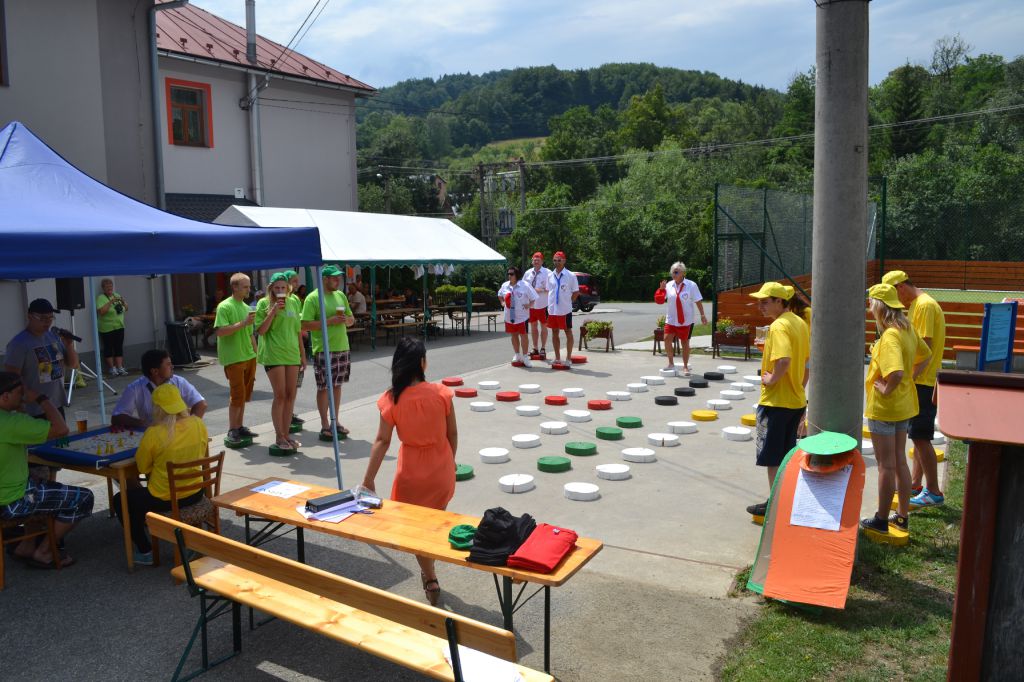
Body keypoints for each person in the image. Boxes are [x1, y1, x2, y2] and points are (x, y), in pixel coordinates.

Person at [361, 337, 457, 606]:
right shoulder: (442, 393)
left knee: (418, 530)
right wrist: (449, 461)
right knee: (434, 523)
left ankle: (430, 576)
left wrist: (368, 479)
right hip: (440, 467)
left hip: (411, 471)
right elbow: (452, 433)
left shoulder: (391, 398)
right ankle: (430, 571)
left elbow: (382, 441)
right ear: (422, 363)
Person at [0, 371, 93, 568]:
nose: (23, 395)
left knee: (37, 482)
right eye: (20, 392)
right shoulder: (11, 423)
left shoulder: (11, 420)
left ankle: (26, 546)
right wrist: (42, 399)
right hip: (12, 501)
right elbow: (61, 430)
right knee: (84, 498)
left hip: (10, 492)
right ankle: (44, 551)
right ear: (5, 396)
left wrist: (19, 406)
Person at [112, 383, 208, 565]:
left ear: (157, 408)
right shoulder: (197, 423)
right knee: (138, 498)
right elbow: (201, 452)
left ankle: (145, 550)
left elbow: (142, 468)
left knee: (121, 499)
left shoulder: (154, 433)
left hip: (166, 497)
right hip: (195, 492)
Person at [860, 283, 930, 535]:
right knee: (900, 461)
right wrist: (910, 378)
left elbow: (896, 372)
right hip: (904, 406)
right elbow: (927, 355)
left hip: (885, 408)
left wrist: (887, 388)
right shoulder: (906, 328)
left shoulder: (890, 336)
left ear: (879, 306)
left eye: (870, 304)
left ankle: (881, 519)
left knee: (886, 466)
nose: (869, 309)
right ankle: (901, 516)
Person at [744, 282, 809, 518]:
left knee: (773, 458)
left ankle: (776, 505)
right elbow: (806, 361)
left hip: (777, 402)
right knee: (786, 455)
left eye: (765, 302)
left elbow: (784, 360)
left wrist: (772, 379)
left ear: (780, 301)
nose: (760, 306)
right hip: (795, 401)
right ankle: (785, 499)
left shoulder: (779, 326)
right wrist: (799, 386)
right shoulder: (799, 323)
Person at [883, 270, 946, 508]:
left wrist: (908, 379)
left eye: (894, 296)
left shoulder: (924, 306)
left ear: (901, 287)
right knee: (918, 436)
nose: (896, 302)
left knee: (921, 437)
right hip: (922, 381)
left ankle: (934, 491)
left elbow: (924, 349)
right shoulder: (918, 305)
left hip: (923, 382)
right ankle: (917, 484)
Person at [301, 265, 354, 440]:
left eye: (338, 277)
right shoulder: (313, 298)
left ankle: (335, 422)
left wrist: (347, 320)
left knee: (337, 386)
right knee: (324, 387)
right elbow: (304, 325)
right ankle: (325, 424)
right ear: (324, 279)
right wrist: (329, 321)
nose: (338, 280)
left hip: (342, 346)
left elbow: (351, 319)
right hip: (323, 348)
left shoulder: (341, 295)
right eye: (334, 278)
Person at [4, 298, 80, 415]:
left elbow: (73, 364)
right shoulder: (18, 344)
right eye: (42, 318)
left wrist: (69, 345)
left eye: (50, 318)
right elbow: (11, 380)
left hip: (56, 405)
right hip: (33, 410)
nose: (47, 322)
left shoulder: (53, 337)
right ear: (30, 316)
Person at [257, 273, 305, 451]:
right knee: (280, 395)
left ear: (288, 288)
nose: (280, 291)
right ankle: (279, 436)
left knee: (291, 395)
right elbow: (261, 331)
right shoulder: (263, 304)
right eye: (276, 288)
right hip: (274, 354)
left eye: (283, 287)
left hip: (292, 353)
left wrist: (303, 355)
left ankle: (286, 434)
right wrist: (273, 312)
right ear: (271, 288)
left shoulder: (294, 302)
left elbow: (298, 331)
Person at [112, 349, 206, 429]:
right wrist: (142, 423)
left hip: (179, 431)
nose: (172, 367)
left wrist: (189, 427)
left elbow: (201, 404)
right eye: (168, 364)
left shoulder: (178, 381)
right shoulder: (134, 388)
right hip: (152, 433)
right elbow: (116, 417)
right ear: (155, 371)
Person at [214, 273, 258, 443]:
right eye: (245, 287)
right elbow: (220, 331)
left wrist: (257, 354)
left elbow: (250, 334)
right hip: (234, 357)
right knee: (237, 394)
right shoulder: (224, 306)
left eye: (249, 286)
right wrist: (243, 323)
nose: (249, 290)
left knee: (244, 394)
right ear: (234, 287)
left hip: (248, 355)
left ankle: (239, 426)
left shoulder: (247, 308)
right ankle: (232, 429)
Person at [654, 262, 706, 376]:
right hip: (671, 319)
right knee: (667, 339)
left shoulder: (691, 285)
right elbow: (659, 301)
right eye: (672, 272)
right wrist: (661, 290)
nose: (674, 274)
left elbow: (698, 301)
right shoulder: (668, 285)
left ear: (683, 273)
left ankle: (685, 366)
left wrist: (702, 315)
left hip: (686, 320)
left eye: (676, 272)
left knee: (685, 342)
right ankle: (671, 363)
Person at [497, 266, 538, 368]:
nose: (509, 276)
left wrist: (529, 305)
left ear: (517, 275)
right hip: (509, 316)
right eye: (508, 274)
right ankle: (517, 354)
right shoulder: (505, 285)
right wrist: (502, 302)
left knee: (523, 335)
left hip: (522, 316)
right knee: (513, 335)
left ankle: (525, 357)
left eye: (512, 274)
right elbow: (500, 294)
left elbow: (534, 297)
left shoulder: (525, 285)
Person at [545, 251, 580, 367]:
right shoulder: (550, 275)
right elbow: (549, 290)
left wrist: (568, 302)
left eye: (559, 260)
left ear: (564, 261)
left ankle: (568, 358)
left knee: (567, 332)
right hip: (552, 310)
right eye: (555, 260)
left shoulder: (570, 275)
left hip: (564, 310)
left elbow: (576, 292)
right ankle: (557, 358)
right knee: (554, 332)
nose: (557, 262)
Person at [522, 252, 552, 359]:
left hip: (543, 304)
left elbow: (551, 288)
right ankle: (535, 348)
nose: (536, 262)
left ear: (542, 261)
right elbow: (523, 286)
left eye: (538, 260)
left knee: (544, 326)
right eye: (534, 260)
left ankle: (543, 348)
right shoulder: (528, 273)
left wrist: (541, 289)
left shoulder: (548, 272)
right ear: (532, 261)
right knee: (533, 327)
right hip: (531, 305)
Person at [96, 278, 128, 376]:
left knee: (118, 347)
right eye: (107, 287)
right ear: (103, 288)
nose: (110, 288)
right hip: (107, 328)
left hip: (119, 326)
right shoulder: (101, 298)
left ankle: (120, 367)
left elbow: (126, 308)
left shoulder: (117, 295)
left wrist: (123, 301)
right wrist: (110, 302)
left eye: (111, 286)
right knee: (108, 348)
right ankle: (112, 368)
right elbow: (101, 312)